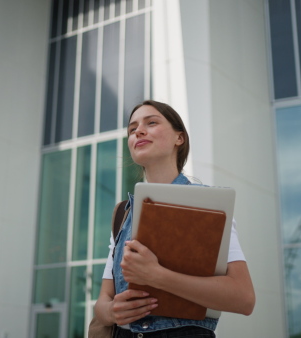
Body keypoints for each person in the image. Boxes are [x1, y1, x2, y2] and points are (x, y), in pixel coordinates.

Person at [93, 100, 255, 337]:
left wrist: (157, 276)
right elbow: (102, 302)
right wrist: (111, 312)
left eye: (151, 122)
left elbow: (244, 298)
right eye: (132, 129)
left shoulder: (208, 204)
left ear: (179, 138)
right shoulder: (123, 213)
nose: (138, 131)